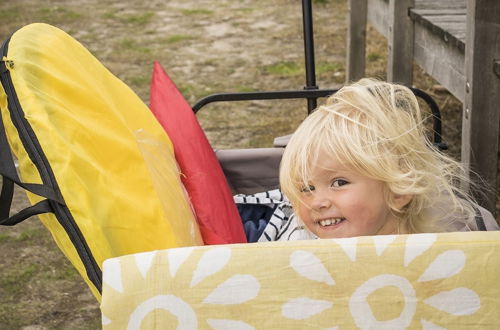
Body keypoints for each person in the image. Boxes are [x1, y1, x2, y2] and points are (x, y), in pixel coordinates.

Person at [257, 78, 498, 241]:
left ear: (398, 191)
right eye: (306, 188)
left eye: (339, 182)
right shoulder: (301, 257)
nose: (318, 202)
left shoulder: (438, 253)